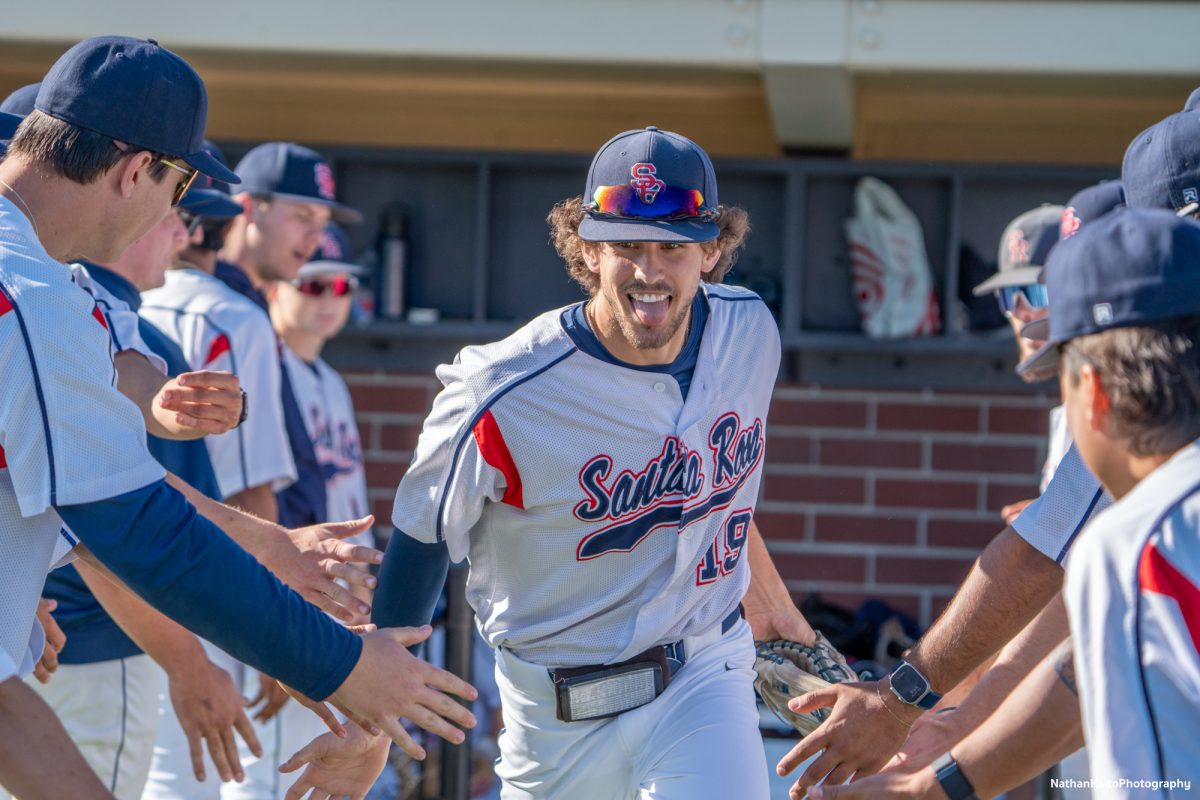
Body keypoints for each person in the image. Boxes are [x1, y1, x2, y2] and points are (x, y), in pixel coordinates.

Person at [281, 125, 827, 800]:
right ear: (590, 249)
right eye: (626, 245)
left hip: (702, 675)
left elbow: (719, 493)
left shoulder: (749, 333)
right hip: (554, 715)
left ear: (713, 249)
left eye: (673, 246)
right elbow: (423, 539)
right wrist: (371, 723)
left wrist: (780, 616)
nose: (649, 270)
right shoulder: (502, 389)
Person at [0, 34, 475, 789]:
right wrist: (340, 664)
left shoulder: (42, 284)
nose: (183, 216)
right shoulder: (28, 296)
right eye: (183, 186)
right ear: (132, 172)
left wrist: (272, 547)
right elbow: (135, 525)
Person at [807, 208, 1200, 800]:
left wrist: (907, 715)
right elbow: (1082, 682)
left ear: (1090, 395)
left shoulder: (1138, 540)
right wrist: (937, 780)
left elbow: (1162, 772)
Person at [216, 224, 373, 799]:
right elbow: (252, 503)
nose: (330, 299)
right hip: (282, 599)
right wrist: (272, 628)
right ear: (279, 289)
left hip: (333, 600)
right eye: (314, 286)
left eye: (340, 286)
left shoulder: (331, 380)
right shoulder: (262, 369)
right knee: (265, 778)